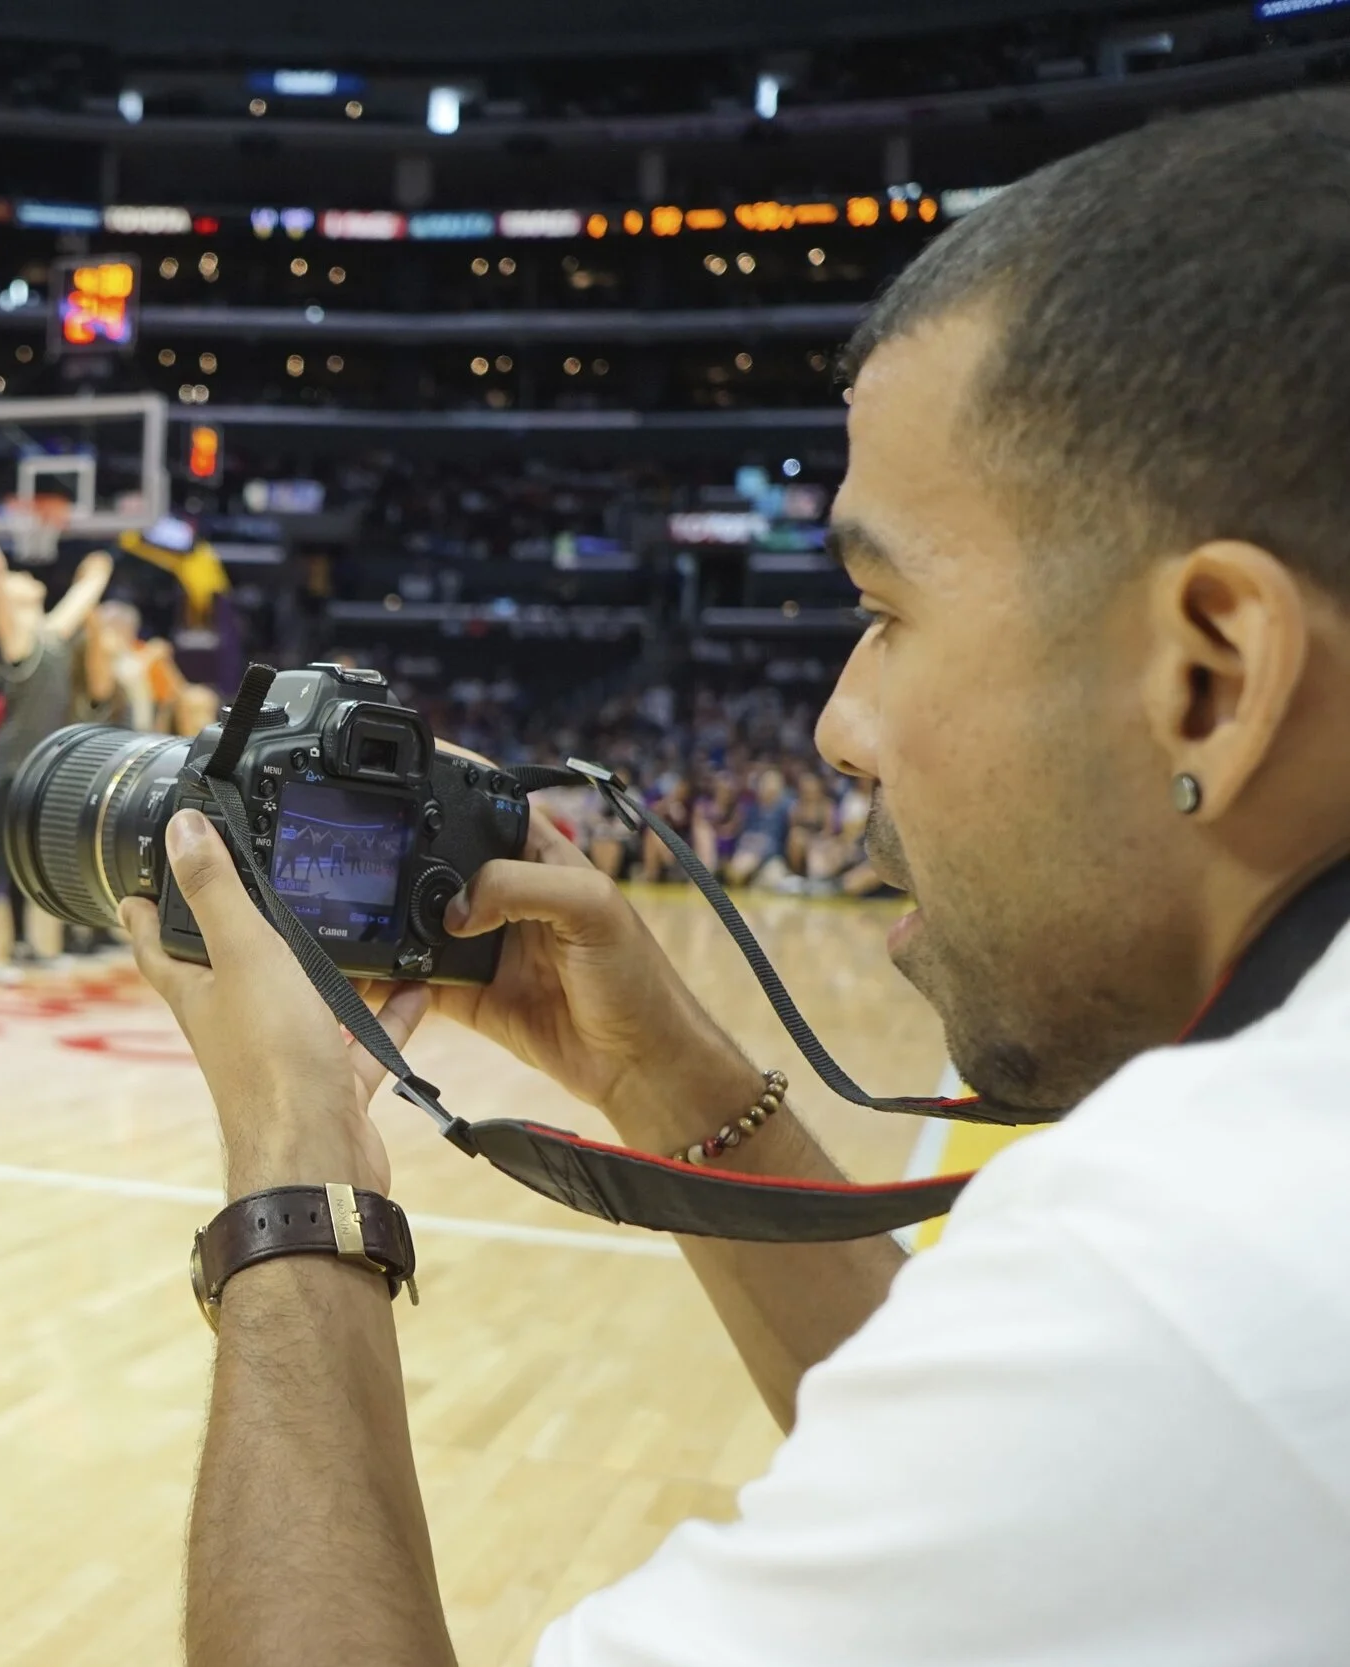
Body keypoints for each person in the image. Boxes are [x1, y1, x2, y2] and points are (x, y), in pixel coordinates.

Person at [122, 91, 1350, 1665]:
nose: (841, 724)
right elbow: (1009, 1478)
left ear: (1210, 675)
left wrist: (297, 1160)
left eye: (885, 609)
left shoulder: (1213, 1261)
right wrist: (672, 1075)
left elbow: (1139, 1368)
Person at [0, 543, 113, 982]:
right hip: (14, 767)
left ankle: (24, 944)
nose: (24, 574)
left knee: (21, 863)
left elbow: (82, 599)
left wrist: (97, 572)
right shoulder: (18, 637)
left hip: (40, 770)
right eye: (14, 577)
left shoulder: (48, 634)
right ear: (4, 599)